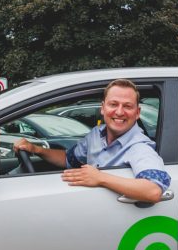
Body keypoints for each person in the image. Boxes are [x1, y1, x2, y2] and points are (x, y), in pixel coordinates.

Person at [13, 79, 169, 202]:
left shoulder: (139, 147)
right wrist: (37, 150)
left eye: (127, 106)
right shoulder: (96, 134)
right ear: (103, 108)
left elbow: (153, 190)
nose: (119, 111)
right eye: (113, 104)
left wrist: (100, 178)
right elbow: (68, 159)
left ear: (137, 112)